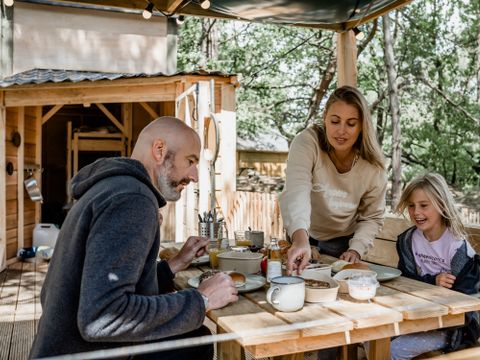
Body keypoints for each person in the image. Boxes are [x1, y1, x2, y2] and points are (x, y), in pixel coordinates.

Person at [30, 117, 239, 359]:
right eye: (190, 161)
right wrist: (201, 300)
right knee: (196, 341)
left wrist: (173, 265)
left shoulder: (111, 188)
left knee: (192, 339)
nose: (194, 176)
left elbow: (110, 284)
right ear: (159, 151)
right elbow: (102, 317)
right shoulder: (131, 199)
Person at [280, 85, 387, 275]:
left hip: (343, 245)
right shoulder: (307, 142)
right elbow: (297, 191)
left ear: (362, 126)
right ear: (325, 119)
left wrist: (356, 249)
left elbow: (371, 216)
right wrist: (300, 240)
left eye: (351, 123)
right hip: (302, 234)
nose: (341, 131)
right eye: (335, 121)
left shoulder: (373, 166)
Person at [391, 172, 480, 359]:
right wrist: (433, 281)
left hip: (452, 329)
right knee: (372, 338)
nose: (416, 212)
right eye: (411, 206)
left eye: (424, 205)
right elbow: (404, 281)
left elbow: (466, 306)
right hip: (413, 316)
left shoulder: (457, 249)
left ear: (441, 204)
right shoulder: (409, 240)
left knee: (392, 350)